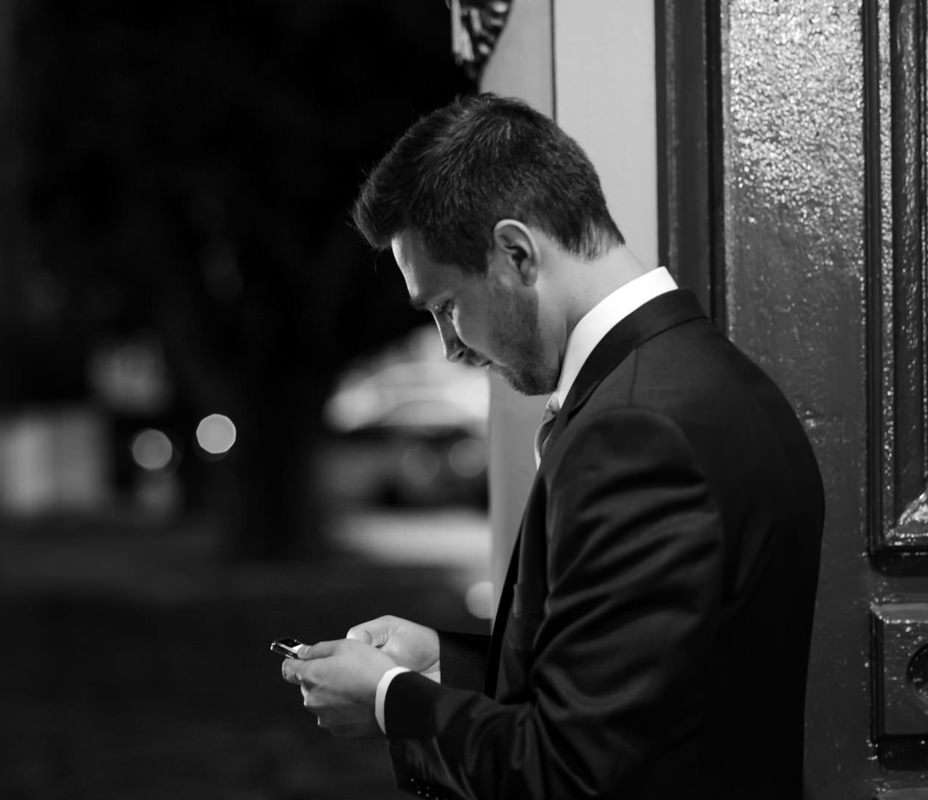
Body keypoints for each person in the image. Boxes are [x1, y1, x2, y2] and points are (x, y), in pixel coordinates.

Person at [280, 92, 824, 800]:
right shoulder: (694, 375)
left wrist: (391, 701)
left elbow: (568, 773)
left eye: (446, 306)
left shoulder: (637, 433)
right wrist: (445, 664)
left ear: (515, 252)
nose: (450, 346)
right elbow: (641, 684)